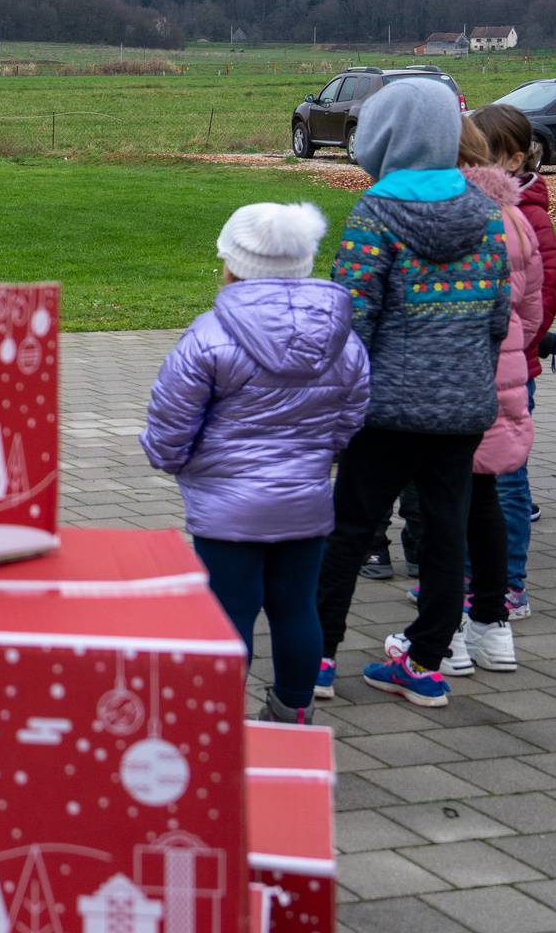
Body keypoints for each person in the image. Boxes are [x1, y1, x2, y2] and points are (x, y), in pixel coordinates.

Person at [315, 78, 509, 709]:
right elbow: (498, 318)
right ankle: (426, 662)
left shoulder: (375, 214)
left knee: (349, 528)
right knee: (447, 534)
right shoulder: (484, 213)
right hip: (461, 409)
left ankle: (317, 656)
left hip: (386, 409)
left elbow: (353, 322)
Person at [141, 202, 368, 724]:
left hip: (227, 509)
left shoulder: (208, 335)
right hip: (305, 500)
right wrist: (320, 456)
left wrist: (171, 458)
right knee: (296, 608)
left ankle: (217, 719)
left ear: (231, 265)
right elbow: (352, 411)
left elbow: (172, 417)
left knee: (229, 610)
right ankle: (294, 708)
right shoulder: (342, 337)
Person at [472, 104, 556, 622]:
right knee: (474, 480)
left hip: (512, 369)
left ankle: (511, 586)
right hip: (476, 369)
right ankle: (475, 580)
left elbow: (540, 305)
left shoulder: (530, 216)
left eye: (486, 157)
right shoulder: (480, 210)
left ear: (516, 158)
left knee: (508, 481)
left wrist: (508, 348)